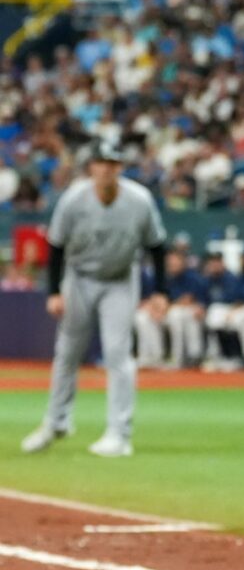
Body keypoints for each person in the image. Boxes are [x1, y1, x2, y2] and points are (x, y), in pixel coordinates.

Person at [21, 142, 167, 458]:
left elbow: (157, 245)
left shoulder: (139, 200)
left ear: (120, 168)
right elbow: (56, 245)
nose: (106, 169)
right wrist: (55, 291)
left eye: (113, 163)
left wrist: (160, 292)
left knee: (118, 354)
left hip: (119, 280)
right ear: (91, 168)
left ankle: (119, 434)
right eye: (101, 163)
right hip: (80, 278)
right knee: (67, 352)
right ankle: (56, 422)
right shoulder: (74, 198)